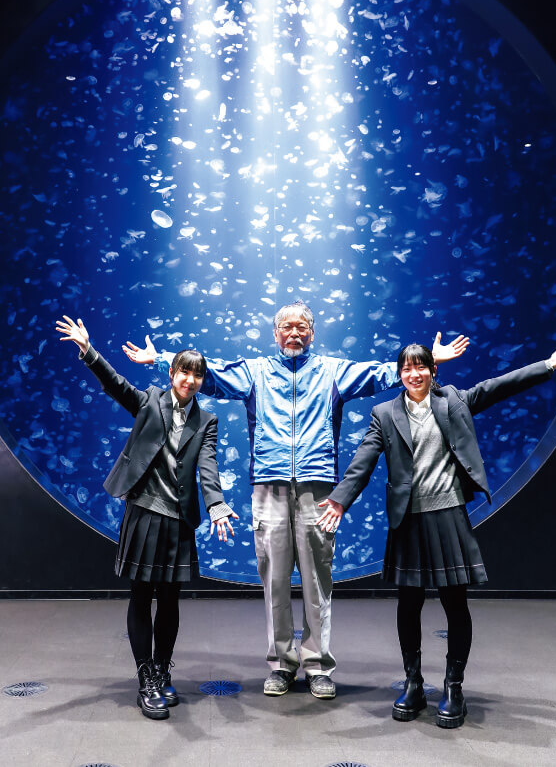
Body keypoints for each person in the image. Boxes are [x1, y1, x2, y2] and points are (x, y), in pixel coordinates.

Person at [122, 300, 469, 699]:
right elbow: (208, 372)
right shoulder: (255, 371)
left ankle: (318, 665)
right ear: (275, 333)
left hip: (317, 490)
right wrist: (160, 358)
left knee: (318, 581)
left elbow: (381, 373)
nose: (294, 333)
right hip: (268, 487)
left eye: (301, 326)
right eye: (286, 327)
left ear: (312, 333)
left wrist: (428, 359)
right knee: (274, 581)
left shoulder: (333, 371)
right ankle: (281, 665)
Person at [317, 340, 556, 727]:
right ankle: (413, 683)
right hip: (408, 519)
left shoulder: (455, 401)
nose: (414, 374)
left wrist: (548, 364)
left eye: (421, 367)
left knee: (455, 603)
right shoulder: (384, 413)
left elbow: (500, 386)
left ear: (433, 371)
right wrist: (341, 499)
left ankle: (453, 686)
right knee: (408, 604)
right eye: (407, 368)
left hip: (448, 514)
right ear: (400, 374)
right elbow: (363, 459)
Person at [56, 315, 237, 720]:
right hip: (144, 512)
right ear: (172, 374)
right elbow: (117, 384)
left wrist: (216, 504)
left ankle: (161, 671)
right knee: (141, 596)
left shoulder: (206, 421)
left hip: (178, 519)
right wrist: (88, 350)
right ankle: (145, 680)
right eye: (184, 372)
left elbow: (208, 466)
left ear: (201, 381)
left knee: (170, 600)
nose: (189, 380)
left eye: (197, 375)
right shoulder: (151, 400)